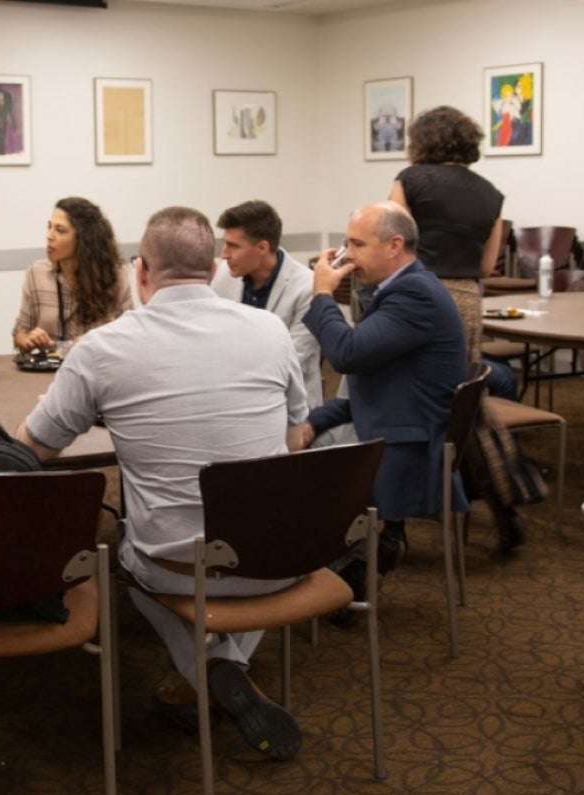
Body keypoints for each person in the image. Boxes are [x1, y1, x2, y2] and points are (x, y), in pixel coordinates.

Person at [17, 206, 309, 760]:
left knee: (122, 556)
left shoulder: (100, 350)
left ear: (141, 271)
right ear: (215, 267)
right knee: (237, 541)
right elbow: (296, 438)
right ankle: (226, 667)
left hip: (176, 566)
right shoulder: (271, 331)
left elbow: (35, 447)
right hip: (281, 558)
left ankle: (210, 669)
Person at [301, 201, 467, 601]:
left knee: (290, 471)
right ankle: (361, 554)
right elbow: (368, 383)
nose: (348, 256)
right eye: (346, 244)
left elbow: (346, 355)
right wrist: (314, 422)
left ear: (395, 245)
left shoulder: (414, 295)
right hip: (397, 420)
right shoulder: (402, 288)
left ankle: (351, 562)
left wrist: (323, 293)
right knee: (304, 439)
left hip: (406, 445)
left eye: (356, 244)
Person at [389, 105, 505, 371]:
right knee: (460, 380)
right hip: (466, 301)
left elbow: (392, 243)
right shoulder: (491, 194)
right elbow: (486, 267)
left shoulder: (409, 180)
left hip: (418, 294)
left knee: (413, 377)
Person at [211, 200, 322, 407]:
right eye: (224, 243)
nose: (224, 254)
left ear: (262, 247)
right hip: (233, 400)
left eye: (233, 246)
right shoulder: (224, 274)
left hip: (289, 407)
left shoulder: (307, 288)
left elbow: (294, 362)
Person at [12, 197, 132, 352]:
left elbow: (129, 336)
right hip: (50, 372)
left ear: (84, 239)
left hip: (97, 370)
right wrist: (28, 339)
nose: (49, 236)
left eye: (60, 230)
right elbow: (20, 332)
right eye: (49, 227)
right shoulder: (36, 273)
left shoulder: (116, 277)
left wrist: (97, 341)